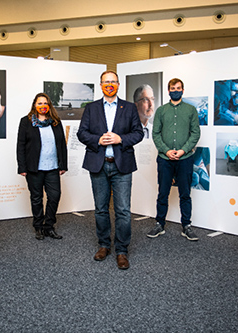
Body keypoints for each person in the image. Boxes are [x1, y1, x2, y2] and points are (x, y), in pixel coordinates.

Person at [77, 70, 143, 270]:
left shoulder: (130, 108)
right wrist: (97, 140)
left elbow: (138, 133)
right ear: (100, 84)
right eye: (106, 82)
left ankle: (122, 250)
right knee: (101, 209)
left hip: (122, 165)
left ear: (118, 84)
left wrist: (120, 139)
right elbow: (82, 133)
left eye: (113, 81)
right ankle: (104, 245)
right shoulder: (91, 108)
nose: (110, 84)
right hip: (98, 163)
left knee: (123, 210)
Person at [147, 78, 201, 240]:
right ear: (168, 90)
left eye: (178, 88)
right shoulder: (162, 111)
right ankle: (159, 224)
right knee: (163, 193)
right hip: (165, 159)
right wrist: (166, 150)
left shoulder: (191, 110)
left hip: (185, 159)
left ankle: (187, 226)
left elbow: (195, 133)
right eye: (172, 88)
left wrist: (183, 150)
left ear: (183, 90)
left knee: (185, 194)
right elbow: (155, 134)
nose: (175, 90)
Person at [17, 93, 67, 240]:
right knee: (36, 198)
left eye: (45, 103)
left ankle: (49, 226)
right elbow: (20, 146)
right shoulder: (26, 122)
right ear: (34, 105)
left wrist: (63, 164)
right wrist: (22, 167)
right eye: (40, 103)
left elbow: (62, 145)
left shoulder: (55, 122)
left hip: (52, 167)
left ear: (49, 105)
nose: (43, 106)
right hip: (34, 168)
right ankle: (38, 226)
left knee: (54, 196)